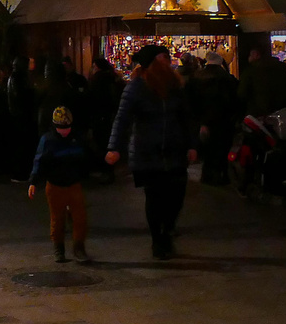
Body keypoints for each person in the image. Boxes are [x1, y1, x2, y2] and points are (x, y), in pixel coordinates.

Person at [106, 45, 198, 260]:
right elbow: (122, 119)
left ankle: (167, 229)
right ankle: (159, 240)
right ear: (151, 63)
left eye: (167, 57)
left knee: (176, 196)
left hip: (175, 151)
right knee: (155, 198)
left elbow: (187, 118)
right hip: (148, 152)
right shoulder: (136, 87)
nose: (167, 61)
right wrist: (114, 147)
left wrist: (192, 145)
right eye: (161, 58)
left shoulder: (176, 86)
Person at [28, 106, 92, 264]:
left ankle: (79, 248)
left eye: (67, 127)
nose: (65, 131)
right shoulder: (48, 140)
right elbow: (39, 161)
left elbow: (86, 156)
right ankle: (59, 249)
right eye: (61, 128)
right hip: (55, 185)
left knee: (80, 218)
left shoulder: (77, 138)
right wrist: (33, 182)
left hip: (73, 183)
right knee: (57, 219)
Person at [189, 52, 241, 186]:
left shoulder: (196, 77)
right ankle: (222, 175)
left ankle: (207, 175)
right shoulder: (227, 78)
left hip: (203, 119)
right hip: (223, 120)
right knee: (222, 148)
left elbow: (191, 100)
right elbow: (234, 100)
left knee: (207, 149)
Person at [240, 43, 286, 118]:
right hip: (283, 112)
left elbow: (242, 93)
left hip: (259, 114)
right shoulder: (283, 67)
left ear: (256, 54)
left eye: (251, 55)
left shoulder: (251, 71)